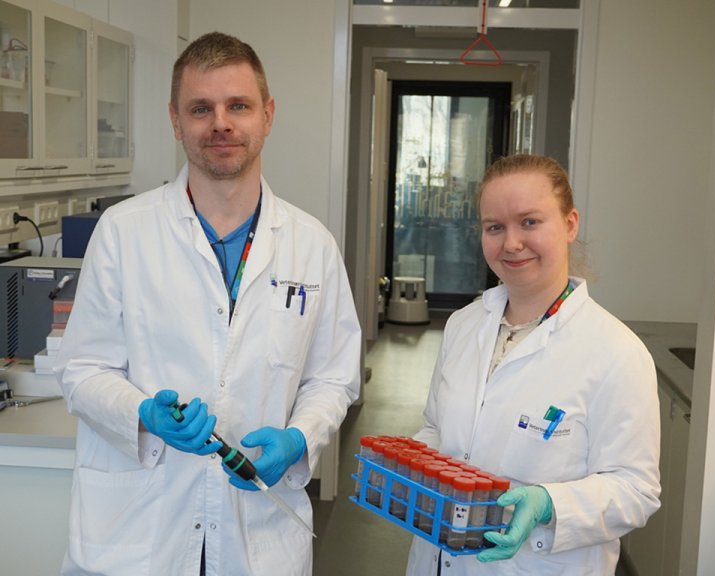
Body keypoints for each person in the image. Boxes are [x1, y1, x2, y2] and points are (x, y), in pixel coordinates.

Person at [54, 31, 361, 576]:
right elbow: (82, 370)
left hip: (256, 532)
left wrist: (299, 438)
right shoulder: (123, 232)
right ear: (176, 121)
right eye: (201, 108)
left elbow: (333, 378)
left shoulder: (312, 244)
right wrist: (143, 414)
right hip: (139, 529)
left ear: (267, 115)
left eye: (237, 105)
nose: (221, 123)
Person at [405, 154, 660, 575]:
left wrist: (549, 504)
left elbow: (636, 489)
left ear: (570, 224)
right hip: (438, 556)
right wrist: (414, 462)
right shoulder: (463, 326)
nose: (511, 243)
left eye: (529, 222)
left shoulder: (617, 352)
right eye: (495, 227)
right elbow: (436, 428)